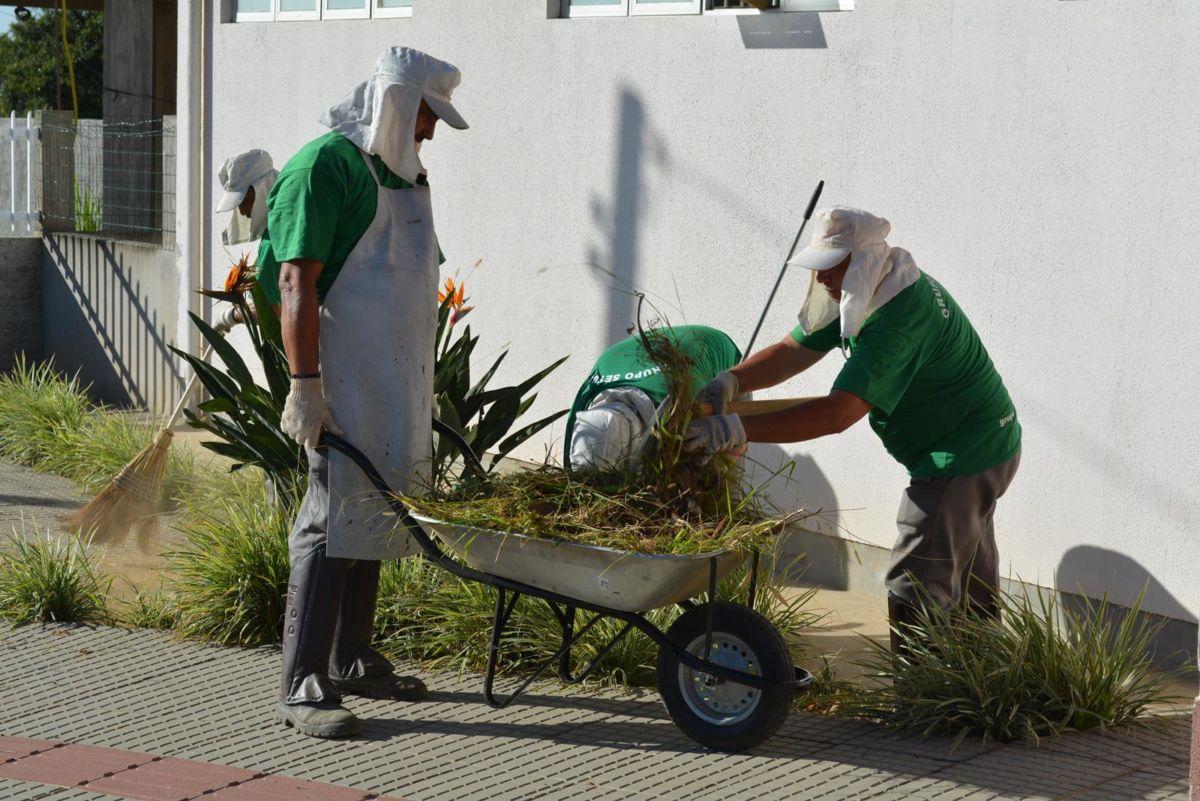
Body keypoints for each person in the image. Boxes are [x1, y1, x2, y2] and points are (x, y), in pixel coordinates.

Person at [686, 207, 1021, 653]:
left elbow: (837, 414)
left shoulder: (898, 317)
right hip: (987, 442)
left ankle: (920, 700)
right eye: (818, 268)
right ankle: (983, 686)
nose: (823, 279)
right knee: (964, 579)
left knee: (917, 582)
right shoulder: (873, 284)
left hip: (961, 455)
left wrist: (732, 429)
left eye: (832, 268)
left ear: (860, 261)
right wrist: (733, 380)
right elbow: (793, 350)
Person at [255, 46, 468, 738]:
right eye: (429, 116)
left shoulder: (401, 176)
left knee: (374, 505)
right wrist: (306, 387)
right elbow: (296, 283)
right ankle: (301, 683)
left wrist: (416, 383)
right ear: (398, 107)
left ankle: (349, 655)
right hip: (334, 369)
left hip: (388, 371)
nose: (433, 131)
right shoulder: (326, 166)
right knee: (328, 512)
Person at [566, 325, 741, 471]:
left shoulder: (679, 400)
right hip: (624, 354)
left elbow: (729, 436)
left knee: (717, 457)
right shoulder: (581, 421)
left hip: (710, 347)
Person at [213, 148, 277, 333]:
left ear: (261, 189)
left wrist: (229, 317)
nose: (241, 211)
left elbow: (270, 312)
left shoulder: (276, 240)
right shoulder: (277, 228)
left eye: (243, 200)